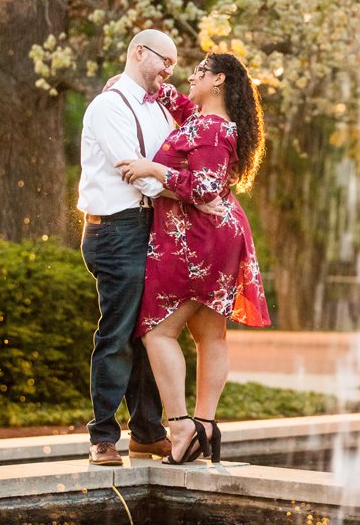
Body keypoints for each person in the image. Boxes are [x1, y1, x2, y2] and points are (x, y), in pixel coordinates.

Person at [116, 52, 271, 465]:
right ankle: (205, 426)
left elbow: (204, 189)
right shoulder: (211, 122)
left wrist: (153, 169)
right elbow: (187, 111)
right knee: (209, 336)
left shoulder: (212, 130)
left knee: (157, 332)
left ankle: (181, 424)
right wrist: (149, 82)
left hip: (196, 241)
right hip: (212, 238)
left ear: (218, 80)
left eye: (199, 71)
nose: (190, 76)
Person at [76, 29, 179, 466]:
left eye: (175, 64)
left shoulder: (157, 110)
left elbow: (176, 155)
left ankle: (147, 433)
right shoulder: (107, 107)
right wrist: (186, 191)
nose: (169, 71)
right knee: (117, 334)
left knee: (150, 334)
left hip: (148, 226)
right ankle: (102, 437)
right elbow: (136, 172)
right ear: (140, 53)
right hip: (114, 231)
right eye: (165, 61)